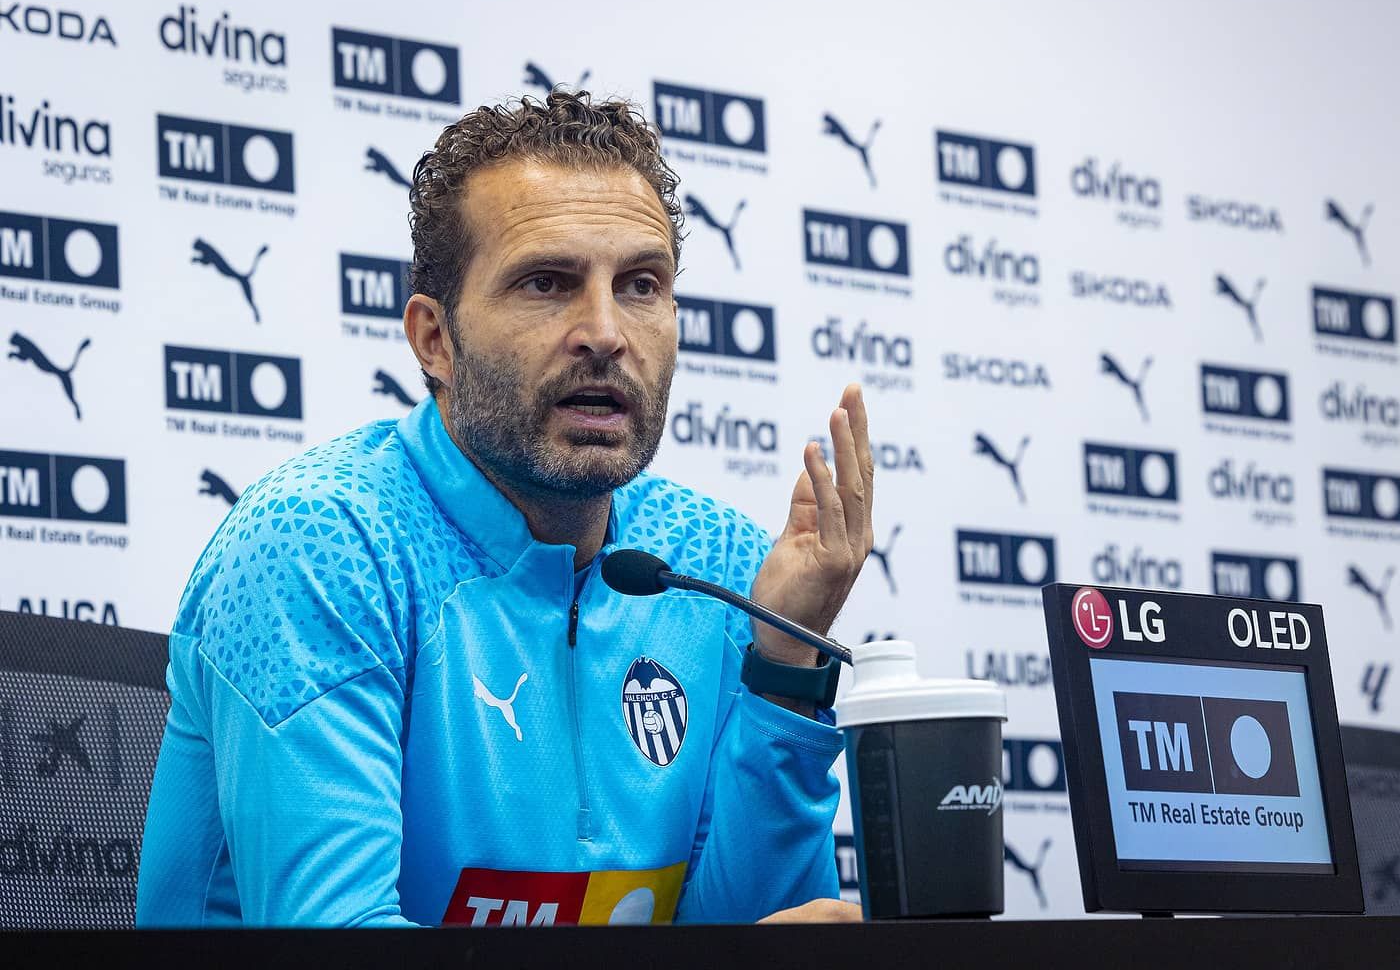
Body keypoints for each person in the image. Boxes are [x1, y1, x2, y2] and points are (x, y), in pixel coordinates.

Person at [136, 91, 874, 927]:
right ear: (433, 340)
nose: (604, 331)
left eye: (639, 284)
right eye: (546, 283)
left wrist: (782, 671)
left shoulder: (717, 567)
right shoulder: (320, 541)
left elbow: (764, 938)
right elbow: (337, 946)